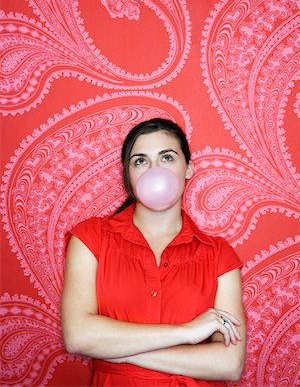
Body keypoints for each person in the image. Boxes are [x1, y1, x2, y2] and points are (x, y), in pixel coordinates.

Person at [61, 118, 246, 386]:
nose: (153, 170)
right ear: (129, 175)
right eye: (140, 161)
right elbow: (78, 336)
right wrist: (185, 332)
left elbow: (230, 364)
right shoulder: (91, 238)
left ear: (188, 168)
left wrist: (113, 349)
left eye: (167, 157)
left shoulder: (219, 256)